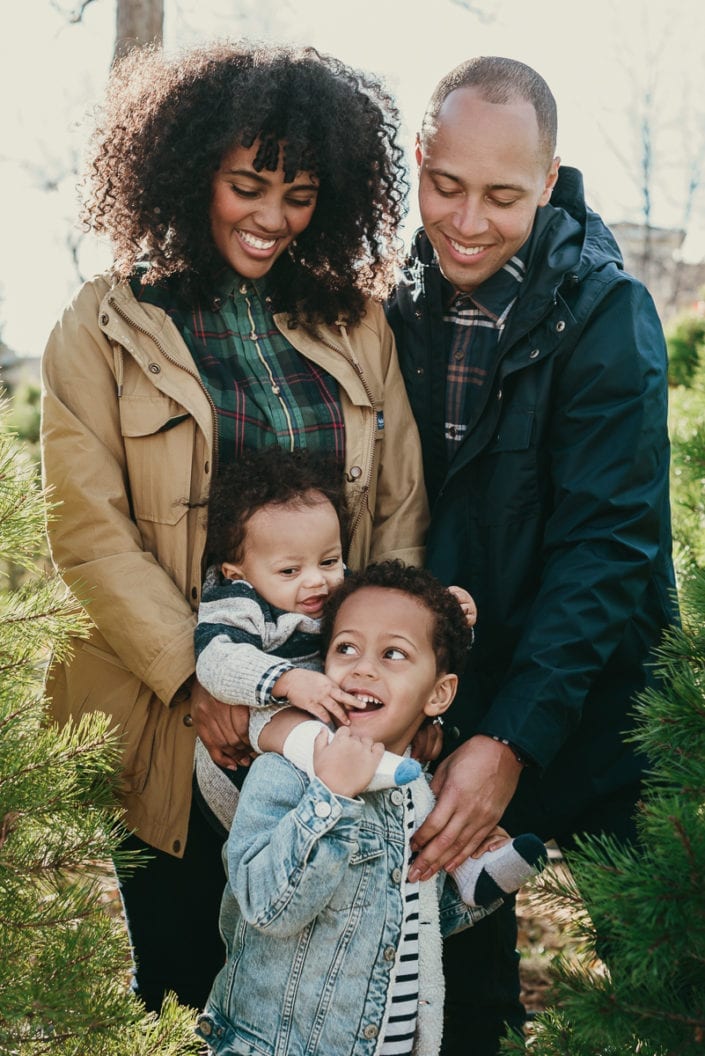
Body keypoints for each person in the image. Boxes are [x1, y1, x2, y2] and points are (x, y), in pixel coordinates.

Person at [40, 41, 430, 1013]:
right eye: (246, 186)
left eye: (299, 195)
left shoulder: (359, 323)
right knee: (182, 989)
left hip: (331, 717)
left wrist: (378, 690)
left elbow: (396, 517)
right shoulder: (102, 324)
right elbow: (89, 533)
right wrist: (198, 683)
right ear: (184, 174)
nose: (271, 217)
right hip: (170, 722)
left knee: (310, 993)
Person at [386, 56, 678, 1054]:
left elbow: (608, 548)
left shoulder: (607, 314)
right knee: (459, 1012)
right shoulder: (388, 308)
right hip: (448, 720)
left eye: (504, 196)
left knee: (663, 998)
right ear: (417, 161)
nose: (468, 221)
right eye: (445, 185)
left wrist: (511, 742)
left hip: (596, 715)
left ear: (549, 182)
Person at [195, 560, 547, 1056]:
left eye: (393, 654)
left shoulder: (416, 788)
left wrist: (473, 888)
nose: (362, 667)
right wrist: (331, 798)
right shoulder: (288, 772)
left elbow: (398, 921)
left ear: (439, 694)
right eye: (346, 648)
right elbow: (265, 907)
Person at [193, 447, 544, 910]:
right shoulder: (239, 601)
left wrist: (449, 611)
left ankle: (469, 864)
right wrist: (286, 681)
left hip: (340, 728)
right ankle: (338, 758)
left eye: (329, 561)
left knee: (410, 750)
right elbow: (215, 661)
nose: (316, 581)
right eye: (290, 570)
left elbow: (395, 622)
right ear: (239, 571)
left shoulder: (336, 589)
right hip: (254, 757)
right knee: (273, 716)